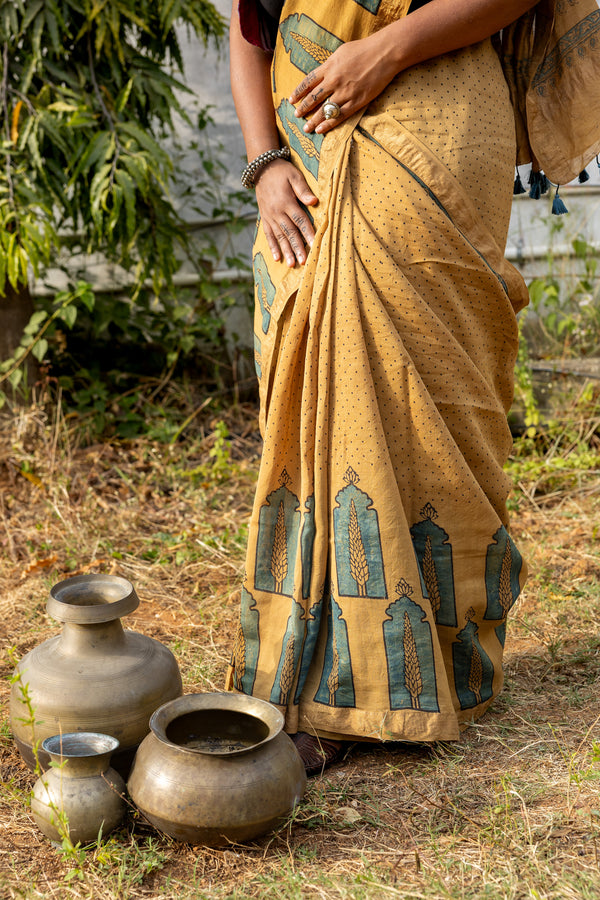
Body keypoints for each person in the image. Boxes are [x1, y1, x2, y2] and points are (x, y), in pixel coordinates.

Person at [226, 0, 600, 774]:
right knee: (315, 380)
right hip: (307, 142)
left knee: (422, 403)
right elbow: (248, 27)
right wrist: (264, 165)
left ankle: (394, 681)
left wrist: (389, 48)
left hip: (431, 123)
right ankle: (312, 675)